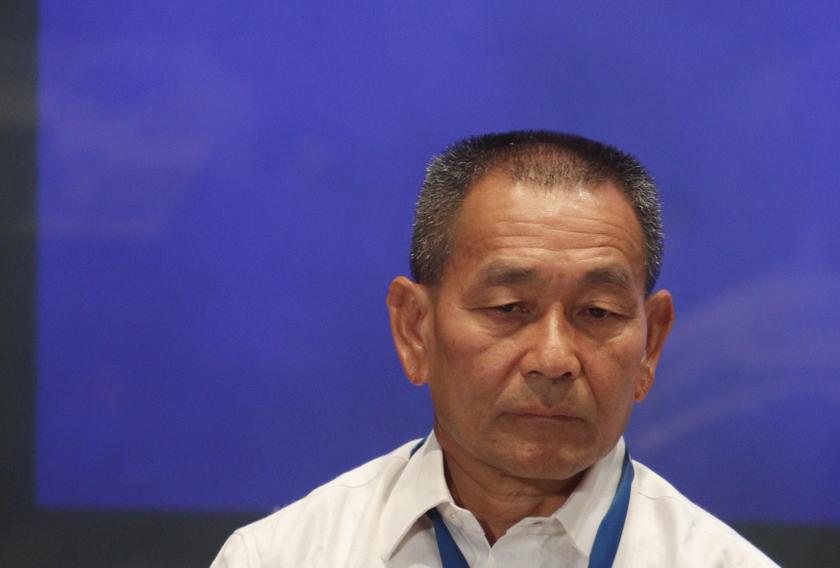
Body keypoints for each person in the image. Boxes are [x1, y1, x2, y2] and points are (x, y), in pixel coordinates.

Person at [211, 131, 778, 567]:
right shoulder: (283, 556)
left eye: (597, 313)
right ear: (415, 329)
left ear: (651, 343)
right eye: (510, 308)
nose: (554, 359)